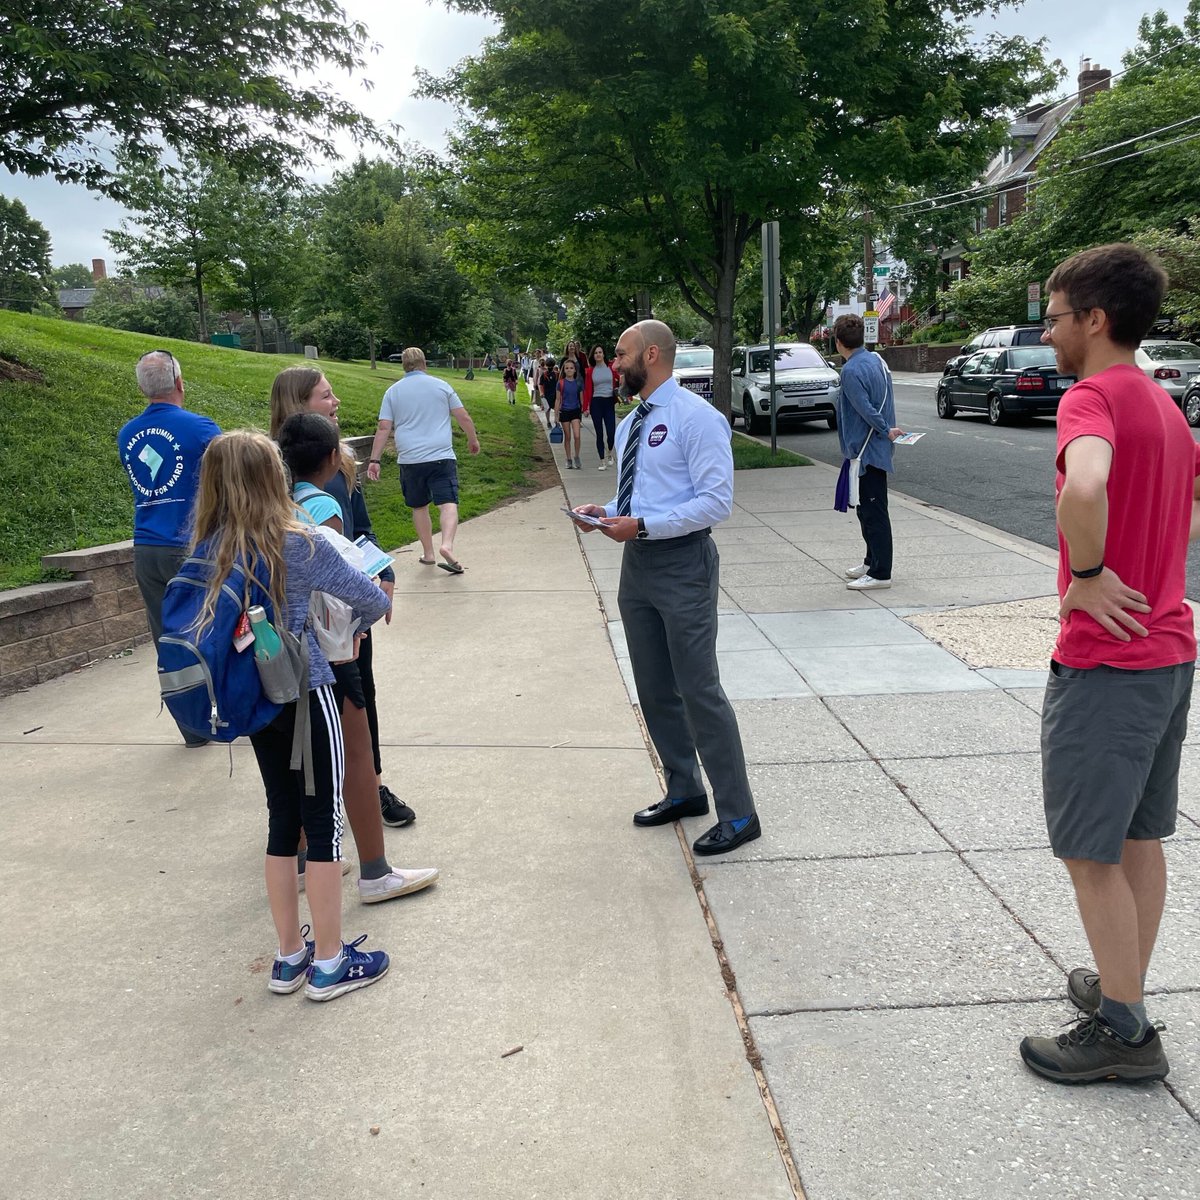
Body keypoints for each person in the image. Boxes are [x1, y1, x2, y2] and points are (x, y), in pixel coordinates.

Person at [1017, 244, 1199, 1084]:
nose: (1047, 333)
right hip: (1168, 655)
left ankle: (1125, 1033)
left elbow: (1083, 487)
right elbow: (1189, 507)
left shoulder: (1091, 398)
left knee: (1090, 854)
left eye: (1055, 318)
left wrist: (1088, 575)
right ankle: (1122, 985)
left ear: (1094, 319)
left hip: (1109, 665)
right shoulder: (1164, 404)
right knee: (1137, 837)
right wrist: (1149, 558)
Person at [191, 429, 393, 1000]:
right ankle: (329, 963)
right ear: (272, 477)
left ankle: (289, 956)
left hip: (255, 699)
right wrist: (350, 630)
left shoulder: (210, 550)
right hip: (307, 691)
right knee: (323, 821)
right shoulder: (298, 543)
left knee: (282, 818)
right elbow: (372, 599)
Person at [570, 320, 761, 856]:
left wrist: (643, 525)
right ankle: (685, 790)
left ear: (651, 355)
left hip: (683, 566)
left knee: (699, 689)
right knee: (654, 687)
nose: (614, 363)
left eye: (621, 354)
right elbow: (640, 498)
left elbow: (715, 502)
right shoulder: (632, 423)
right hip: (638, 567)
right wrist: (605, 512)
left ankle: (739, 813)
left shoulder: (697, 418)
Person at [277, 412, 439, 904]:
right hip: (333, 659)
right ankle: (375, 871)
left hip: (281, 664)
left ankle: (301, 861)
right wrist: (368, 610)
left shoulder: (257, 521)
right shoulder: (322, 515)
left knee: (296, 769)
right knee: (357, 760)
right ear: (333, 458)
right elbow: (354, 589)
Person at [270, 367, 414, 828]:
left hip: (349, 605)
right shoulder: (272, 471)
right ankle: (329, 806)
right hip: (315, 617)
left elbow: (362, 529)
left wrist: (384, 570)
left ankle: (371, 785)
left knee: (360, 696)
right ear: (298, 405)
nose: (336, 403)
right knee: (321, 711)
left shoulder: (340, 465)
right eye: (325, 396)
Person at [118, 349, 221, 747]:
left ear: (142, 388)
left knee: (168, 640)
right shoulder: (201, 429)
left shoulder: (127, 434)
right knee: (213, 628)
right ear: (179, 382)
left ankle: (192, 728)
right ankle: (227, 712)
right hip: (192, 546)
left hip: (147, 547)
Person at [366, 346, 481, 575]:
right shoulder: (441, 386)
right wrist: (472, 439)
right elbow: (463, 416)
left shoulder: (393, 392)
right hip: (441, 455)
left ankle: (428, 554)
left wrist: (375, 460)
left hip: (410, 458)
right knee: (448, 502)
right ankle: (446, 545)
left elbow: (384, 427)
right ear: (424, 363)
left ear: (403, 365)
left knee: (419, 506)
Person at [833, 314, 903, 591]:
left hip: (866, 450)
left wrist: (885, 429)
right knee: (866, 509)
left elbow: (865, 409)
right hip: (874, 448)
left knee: (873, 512)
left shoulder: (850, 371)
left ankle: (880, 572)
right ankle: (870, 561)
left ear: (838, 342)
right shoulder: (876, 361)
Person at [583, 343, 619, 470]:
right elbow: (587, 390)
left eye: (600, 352)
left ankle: (609, 452)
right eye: (596, 353)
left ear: (603, 354)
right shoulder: (590, 371)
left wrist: (625, 395)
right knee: (599, 433)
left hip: (609, 402)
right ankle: (602, 461)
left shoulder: (611, 368)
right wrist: (586, 407)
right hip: (596, 402)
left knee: (611, 432)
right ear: (593, 356)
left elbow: (620, 381)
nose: (598, 354)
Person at [556, 356, 585, 469]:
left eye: (571, 368)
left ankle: (576, 456)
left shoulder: (578, 383)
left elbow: (581, 399)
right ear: (564, 370)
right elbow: (558, 400)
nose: (569, 370)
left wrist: (585, 409)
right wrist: (556, 415)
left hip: (575, 411)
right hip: (564, 412)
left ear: (575, 370)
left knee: (577, 436)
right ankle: (568, 459)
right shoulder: (560, 383)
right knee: (567, 437)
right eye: (567, 368)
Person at [539, 356, 559, 429]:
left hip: (555, 394)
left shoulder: (556, 374)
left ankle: (556, 422)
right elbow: (541, 384)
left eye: (551, 366)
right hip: (546, 394)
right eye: (548, 366)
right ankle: (548, 422)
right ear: (546, 365)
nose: (550, 367)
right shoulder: (544, 374)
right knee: (547, 409)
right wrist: (541, 392)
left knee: (556, 409)